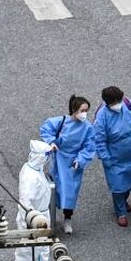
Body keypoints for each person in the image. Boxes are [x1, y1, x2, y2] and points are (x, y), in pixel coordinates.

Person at [3, 140, 59, 261]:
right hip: (33, 220)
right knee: (27, 256)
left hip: (42, 216)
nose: (48, 159)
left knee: (42, 254)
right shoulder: (30, 177)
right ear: (39, 157)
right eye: (46, 156)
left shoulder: (34, 168)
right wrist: (32, 223)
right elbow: (25, 204)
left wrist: (50, 148)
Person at [94, 86, 131, 227]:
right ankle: (120, 212)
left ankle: (123, 200)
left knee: (129, 182)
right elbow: (99, 140)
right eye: (115, 102)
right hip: (114, 157)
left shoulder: (128, 104)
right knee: (117, 186)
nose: (118, 105)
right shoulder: (102, 116)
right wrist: (106, 157)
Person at [40, 95, 96, 235]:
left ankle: (67, 218)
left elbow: (89, 147)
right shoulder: (61, 121)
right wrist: (52, 142)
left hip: (73, 163)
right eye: (82, 110)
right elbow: (46, 129)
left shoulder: (88, 127)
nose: (85, 114)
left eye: (86, 111)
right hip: (58, 160)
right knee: (53, 190)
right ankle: (49, 217)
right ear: (74, 110)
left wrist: (80, 160)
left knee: (70, 192)